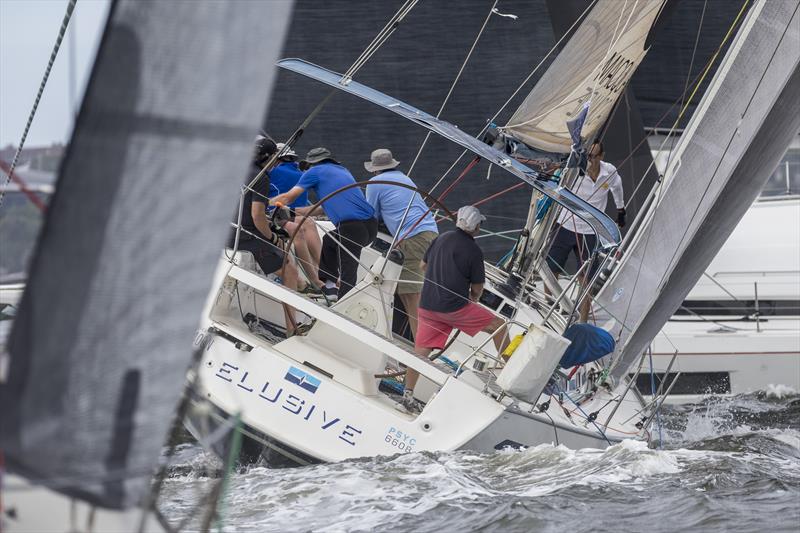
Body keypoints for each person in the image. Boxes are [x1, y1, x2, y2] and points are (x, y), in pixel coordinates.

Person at [403, 205, 510, 411]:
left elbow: (422, 267)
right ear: (477, 227)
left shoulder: (440, 238)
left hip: (427, 305)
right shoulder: (474, 251)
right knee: (500, 325)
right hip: (453, 309)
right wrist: (473, 298)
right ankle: (511, 372)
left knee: (420, 352)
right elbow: (477, 288)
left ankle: (407, 395)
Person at [272, 147, 377, 301]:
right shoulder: (343, 171)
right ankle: (330, 287)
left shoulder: (314, 172)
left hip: (352, 227)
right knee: (329, 241)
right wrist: (292, 212)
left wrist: (264, 204)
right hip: (370, 227)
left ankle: (342, 306)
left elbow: (289, 197)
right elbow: (321, 209)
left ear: (311, 164)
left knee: (348, 269)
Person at [230, 134, 301, 335]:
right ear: (267, 158)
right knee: (290, 270)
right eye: (273, 159)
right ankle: (292, 329)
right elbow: (257, 215)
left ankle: (302, 285)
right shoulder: (260, 177)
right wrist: (272, 238)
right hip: (242, 236)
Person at [546, 140, 625, 320]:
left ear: (602, 156)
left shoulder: (609, 171)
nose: (591, 160)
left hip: (590, 231)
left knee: (586, 279)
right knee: (551, 269)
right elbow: (556, 181)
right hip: (566, 225)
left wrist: (621, 210)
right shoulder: (576, 171)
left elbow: (617, 187)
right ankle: (547, 307)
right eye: (588, 156)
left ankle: (582, 320)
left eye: (595, 156)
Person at [364, 148, 438, 339]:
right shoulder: (404, 178)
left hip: (413, 236)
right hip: (430, 234)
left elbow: (370, 214)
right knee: (411, 291)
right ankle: (414, 338)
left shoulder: (375, 183)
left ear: (374, 169)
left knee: (410, 295)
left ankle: (421, 347)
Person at [268, 143, 323, 290]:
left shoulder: (271, 173)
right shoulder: (301, 174)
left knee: (298, 225)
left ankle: (311, 279)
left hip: (276, 213)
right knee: (308, 222)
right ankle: (322, 273)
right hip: (296, 214)